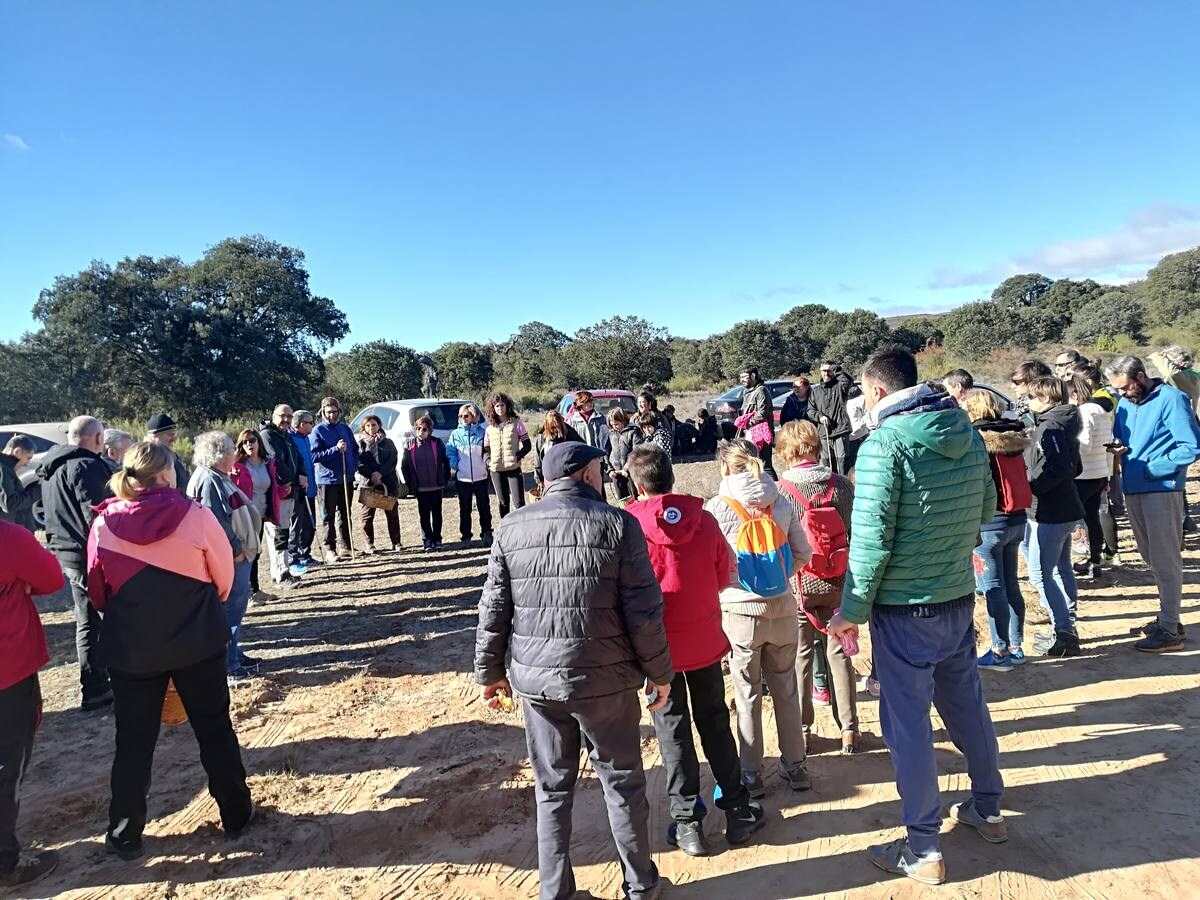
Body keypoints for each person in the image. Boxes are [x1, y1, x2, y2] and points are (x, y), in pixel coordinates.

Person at [827, 347, 1004, 886]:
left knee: (907, 727)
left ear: (877, 392)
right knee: (967, 704)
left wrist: (850, 610)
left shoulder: (886, 444)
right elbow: (986, 508)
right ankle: (988, 809)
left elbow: (872, 540)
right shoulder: (965, 429)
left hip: (905, 610)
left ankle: (923, 848)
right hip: (955, 595)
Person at [475, 441, 674, 900]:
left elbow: (493, 609)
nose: (604, 477)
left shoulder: (511, 526)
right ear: (586, 475)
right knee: (622, 781)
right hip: (605, 682)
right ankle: (641, 886)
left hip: (539, 683)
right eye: (600, 470)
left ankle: (555, 893)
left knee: (551, 789)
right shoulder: (618, 524)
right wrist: (659, 673)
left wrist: (489, 671)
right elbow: (644, 612)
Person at [87, 442, 253, 860]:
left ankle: (125, 833)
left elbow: (98, 590)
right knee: (214, 728)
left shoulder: (103, 523)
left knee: (133, 741)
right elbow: (223, 576)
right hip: (197, 639)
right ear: (165, 475)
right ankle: (236, 813)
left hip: (132, 648)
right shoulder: (195, 515)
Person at [624, 445, 766, 855]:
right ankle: (738, 811)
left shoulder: (629, 524)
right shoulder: (702, 519)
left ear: (637, 483)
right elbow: (724, 574)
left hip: (656, 653)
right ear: (672, 476)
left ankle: (687, 824)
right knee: (716, 723)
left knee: (672, 731)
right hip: (704, 642)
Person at [705, 439, 812, 797]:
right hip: (782, 608)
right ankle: (796, 767)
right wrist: (779, 578)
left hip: (739, 612)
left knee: (747, 693)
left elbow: (711, 565)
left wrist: (730, 588)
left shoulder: (718, 508)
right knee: (786, 688)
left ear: (725, 467)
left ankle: (751, 773)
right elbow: (803, 551)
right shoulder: (780, 500)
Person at [773, 421, 860, 754]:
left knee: (802, 656)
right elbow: (853, 531)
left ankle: (804, 728)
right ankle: (849, 728)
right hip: (839, 581)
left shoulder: (779, 491)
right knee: (840, 651)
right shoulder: (840, 486)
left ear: (786, 451)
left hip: (798, 585)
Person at [1108, 356, 1200, 652]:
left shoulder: (1172, 399)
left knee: (1165, 560)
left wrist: (1153, 468)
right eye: (1117, 390)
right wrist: (1118, 450)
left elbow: (1190, 447)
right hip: (1132, 488)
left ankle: (1169, 629)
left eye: (1125, 387)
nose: (1121, 394)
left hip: (1161, 489)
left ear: (1141, 376)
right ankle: (1169, 618)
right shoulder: (1124, 403)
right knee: (1151, 558)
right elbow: (1122, 438)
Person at [0, 520, 64, 889]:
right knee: (6, 767)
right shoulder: (8, 538)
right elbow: (51, 579)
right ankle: (5, 864)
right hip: (7, 672)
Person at [38, 415, 113, 711]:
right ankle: (99, 685)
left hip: (66, 550)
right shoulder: (86, 466)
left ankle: (96, 685)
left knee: (88, 618)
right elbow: (97, 514)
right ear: (97, 439)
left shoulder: (51, 467)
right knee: (101, 618)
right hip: (87, 554)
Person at [963, 389, 1031, 670]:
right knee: (1011, 583)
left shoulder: (975, 440)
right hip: (1017, 519)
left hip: (989, 524)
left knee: (992, 588)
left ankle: (999, 651)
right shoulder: (1013, 436)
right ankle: (1016, 646)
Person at [188, 431, 261, 678]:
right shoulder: (209, 480)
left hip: (232, 555)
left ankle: (234, 654)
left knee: (235, 610)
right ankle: (229, 665)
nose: (234, 454)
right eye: (231, 449)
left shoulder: (217, 476)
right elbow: (216, 522)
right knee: (230, 610)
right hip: (229, 557)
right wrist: (236, 552)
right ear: (220, 454)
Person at [1024, 376, 1085, 658]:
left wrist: (1032, 487)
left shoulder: (1052, 426)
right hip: (1063, 508)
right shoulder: (1065, 421)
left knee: (1040, 574)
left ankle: (1063, 632)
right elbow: (1075, 466)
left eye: (1033, 397)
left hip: (1051, 511)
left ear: (1047, 398)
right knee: (1060, 568)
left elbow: (1060, 467)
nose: (1028, 401)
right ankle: (1066, 625)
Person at [1068, 373, 1115, 581]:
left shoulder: (1084, 412)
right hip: (1099, 472)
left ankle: (1082, 559)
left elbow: (1084, 446)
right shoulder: (1102, 410)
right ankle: (1095, 561)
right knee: (1092, 518)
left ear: (1076, 394)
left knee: (1077, 521)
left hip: (1083, 474)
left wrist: (1067, 443)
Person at [231, 429, 281, 603]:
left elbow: (270, 487)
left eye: (252, 440)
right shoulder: (237, 466)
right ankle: (248, 592)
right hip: (244, 516)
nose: (249, 444)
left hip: (260, 515)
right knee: (247, 553)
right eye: (244, 442)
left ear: (259, 442)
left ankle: (254, 590)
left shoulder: (267, 463)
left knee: (256, 552)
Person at [259, 405, 304, 583]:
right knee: (278, 533)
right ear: (273, 416)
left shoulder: (286, 436)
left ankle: (284, 570)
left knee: (284, 531)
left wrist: (303, 474)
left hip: (290, 490)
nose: (286, 419)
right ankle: (280, 574)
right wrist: (293, 479)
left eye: (289, 416)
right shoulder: (267, 436)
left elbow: (298, 457)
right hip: (276, 493)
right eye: (282, 416)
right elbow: (275, 461)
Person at [310, 396, 359, 560]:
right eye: (329, 412)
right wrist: (335, 450)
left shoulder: (345, 428)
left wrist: (353, 464)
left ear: (339, 412)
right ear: (323, 412)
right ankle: (330, 549)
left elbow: (354, 448)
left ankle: (346, 545)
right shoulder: (318, 431)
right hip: (326, 480)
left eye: (335, 411)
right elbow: (314, 456)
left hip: (345, 478)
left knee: (345, 513)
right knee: (328, 516)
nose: (332, 415)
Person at [401, 415, 450, 550]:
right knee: (424, 515)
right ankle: (427, 540)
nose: (420, 432)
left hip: (436, 485)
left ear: (430, 430)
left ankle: (437, 539)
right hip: (420, 487)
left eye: (424, 429)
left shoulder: (437, 443)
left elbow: (445, 462)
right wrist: (410, 484)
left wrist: (445, 478)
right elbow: (404, 466)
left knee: (437, 514)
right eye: (418, 429)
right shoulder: (410, 446)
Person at [446, 404, 493, 546]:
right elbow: (450, 451)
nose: (463, 418)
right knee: (464, 509)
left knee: (484, 507)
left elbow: (487, 450)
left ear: (474, 416)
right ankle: (466, 537)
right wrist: (456, 465)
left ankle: (486, 533)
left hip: (481, 477)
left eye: (466, 415)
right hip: (463, 478)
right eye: (460, 416)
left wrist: (486, 464)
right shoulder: (455, 434)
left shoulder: (482, 432)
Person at [355, 415, 402, 553]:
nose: (371, 428)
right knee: (367, 516)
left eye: (374, 425)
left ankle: (396, 542)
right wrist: (372, 475)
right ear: (363, 428)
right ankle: (370, 544)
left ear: (379, 425)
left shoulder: (388, 443)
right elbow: (359, 463)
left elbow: (392, 461)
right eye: (368, 426)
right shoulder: (360, 444)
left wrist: (380, 473)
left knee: (392, 514)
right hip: (369, 483)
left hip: (388, 482)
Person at [483, 392, 530, 518]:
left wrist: (518, 456)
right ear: (492, 408)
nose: (500, 408)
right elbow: (486, 450)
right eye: (496, 406)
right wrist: (488, 462)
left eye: (502, 405)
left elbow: (527, 445)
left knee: (519, 502)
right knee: (503, 503)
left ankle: (522, 531)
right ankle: (505, 531)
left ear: (507, 406)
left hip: (513, 469)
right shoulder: (489, 428)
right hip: (496, 470)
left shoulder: (516, 423)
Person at [806, 362, 855, 474]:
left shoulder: (840, 386)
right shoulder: (816, 391)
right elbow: (810, 410)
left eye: (828, 371)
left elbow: (848, 381)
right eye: (823, 371)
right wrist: (820, 417)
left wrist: (834, 368)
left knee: (843, 463)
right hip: (824, 432)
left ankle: (846, 487)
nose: (826, 373)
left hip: (841, 430)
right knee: (827, 465)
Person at [288, 410, 319, 566]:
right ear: (301, 424)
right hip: (298, 491)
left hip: (310, 488)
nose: (312, 425)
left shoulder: (306, 439)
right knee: (298, 525)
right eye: (310, 423)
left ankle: (305, 553)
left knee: (310, 524)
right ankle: (296, 556)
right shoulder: (290, 439)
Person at [736, 366, 776, 478]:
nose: (741, 380)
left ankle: (776, 489)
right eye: (740, 377)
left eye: (744, 377)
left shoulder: (761, 391)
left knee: (765, 465)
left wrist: (748, 423)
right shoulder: (747, 392)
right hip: (751, 433)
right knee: (754, 463)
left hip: (762, 433)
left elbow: (762, 413)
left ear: (753, 376)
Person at [532, 410, 581, 492]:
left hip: (567, 477)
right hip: (549, 477)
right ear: (547, 426)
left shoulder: (570, 433)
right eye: (552, 427)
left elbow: (581, 449)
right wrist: (539, 479)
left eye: (557, 427)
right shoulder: (542, 438)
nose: (555, 430)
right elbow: (538, 460)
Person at [0, 435, 40, 531]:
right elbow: (10, 504)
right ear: (17, 451)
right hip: (10, 535)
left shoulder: (6, 468)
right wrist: (36, 492)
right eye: (28, 458)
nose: (27, 464)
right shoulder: (3, 469)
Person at [145, 413, 189, 495]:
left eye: (174, 435)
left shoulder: (174, 456)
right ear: (154, 436)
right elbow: (130, 477)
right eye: (170, 435)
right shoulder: (140, 457)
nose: (174, 439)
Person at [607, 408, 638, 502]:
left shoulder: (633, 431)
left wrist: (627, 467)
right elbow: (605, 452)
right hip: (616, 473)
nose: (615, 427)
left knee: (634, 497)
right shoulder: (611, 434)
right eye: (612, 425)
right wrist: (609, 470)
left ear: (623, 420)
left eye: (617, 424)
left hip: (631, 472)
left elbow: (637, 452)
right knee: (622, 500)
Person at [1010, 360, 1052, 425]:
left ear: (1033, 382)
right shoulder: (1023, 406)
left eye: (1017, 383)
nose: (1012, 386)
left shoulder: (1039, 412)